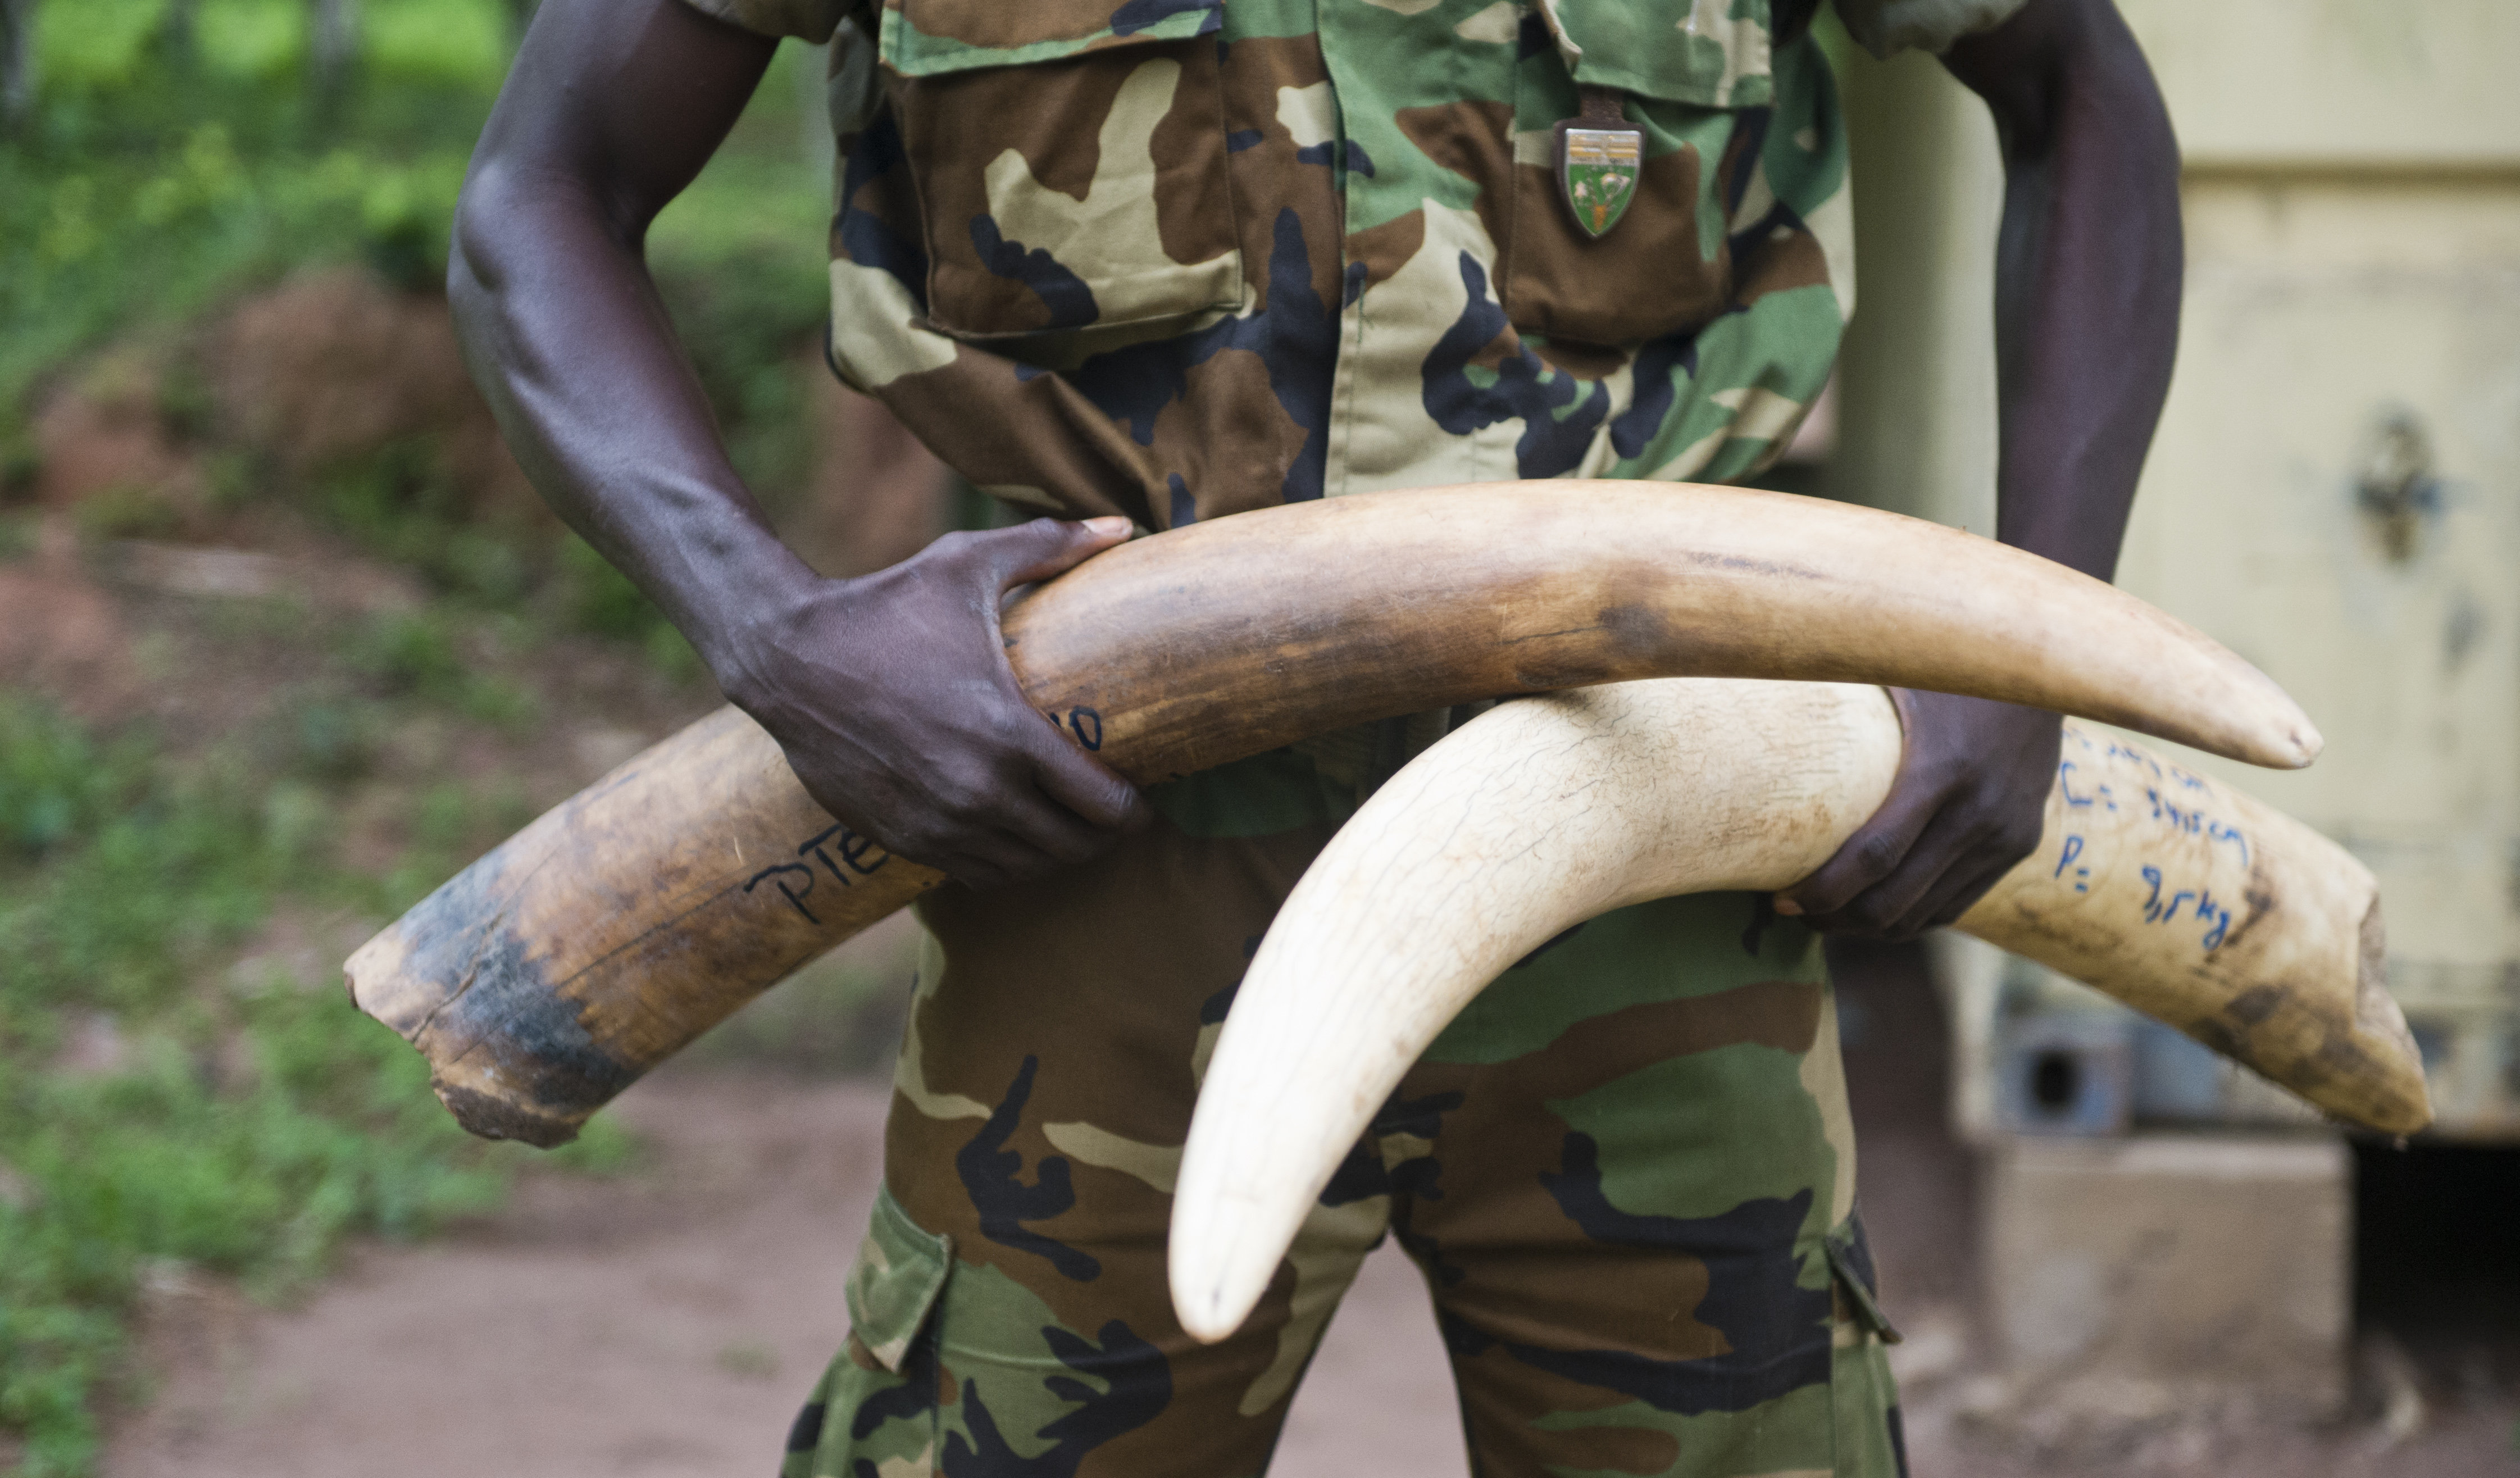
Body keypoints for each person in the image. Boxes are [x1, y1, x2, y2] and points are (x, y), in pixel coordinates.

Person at [447, 0, 2179, 1470]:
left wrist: (2027, 654)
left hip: (1654, 865)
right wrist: (776, 631)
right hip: (1103, 880)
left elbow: (2078, 90)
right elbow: (546, 190)